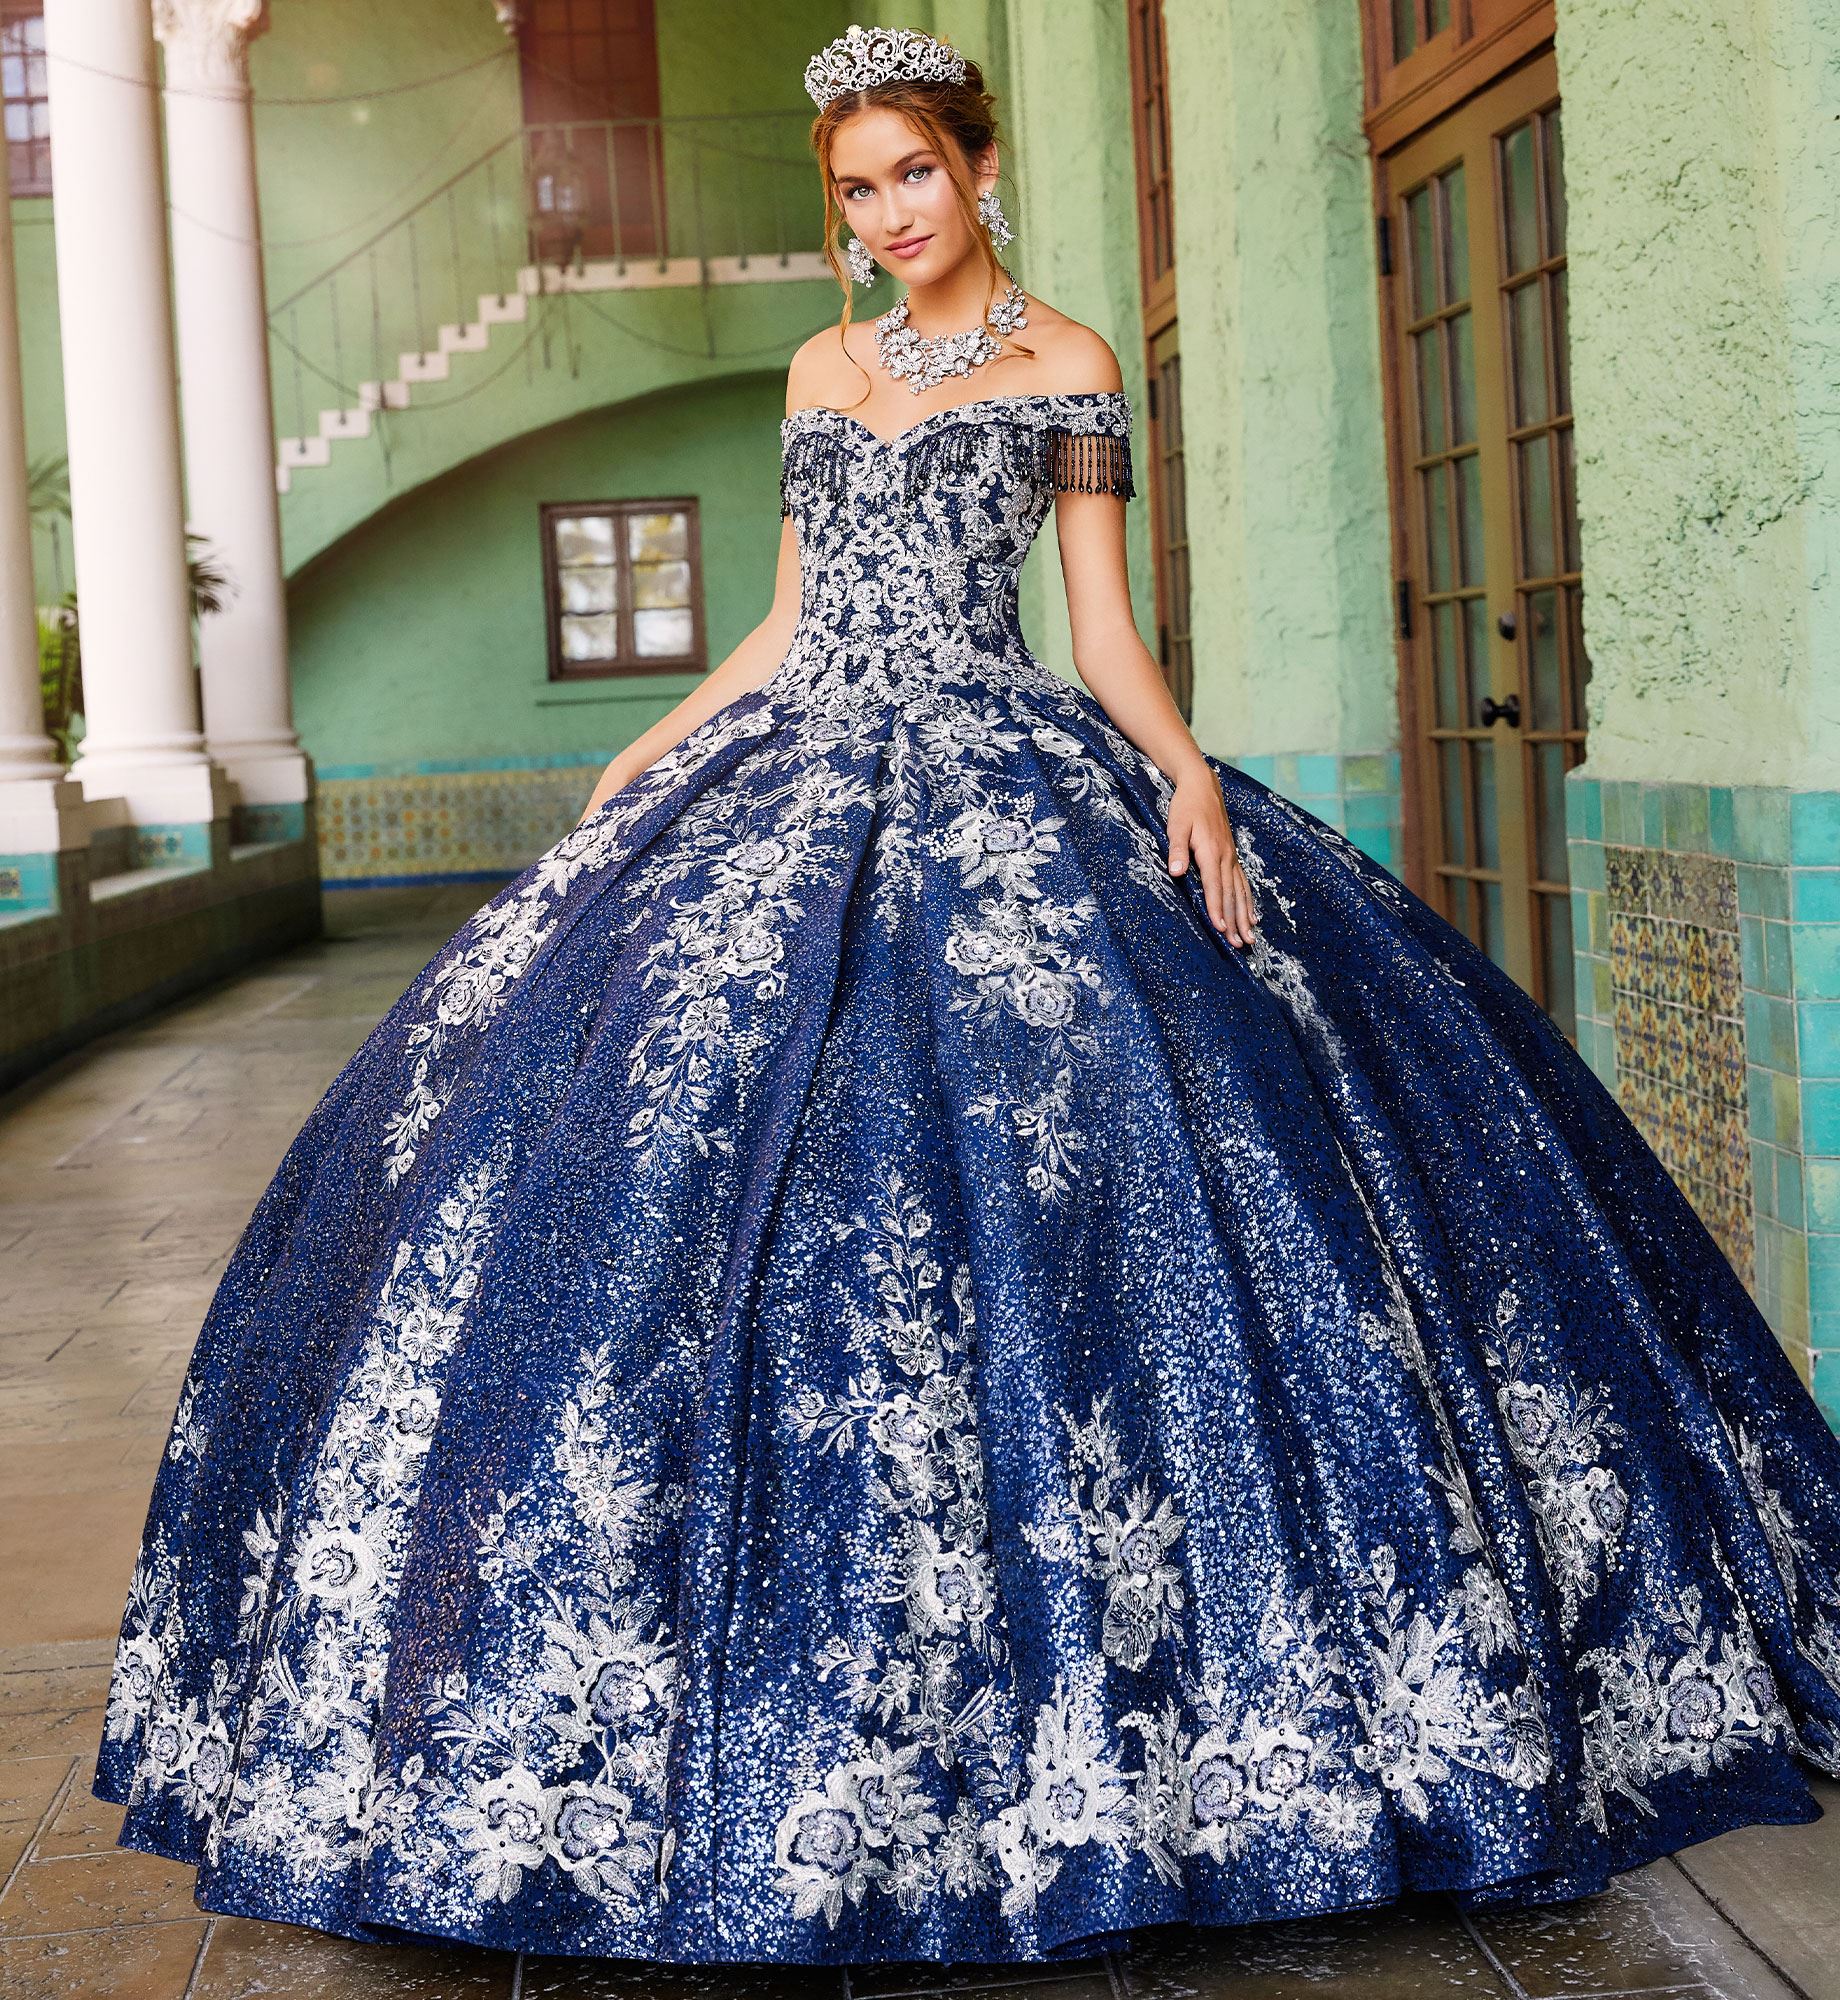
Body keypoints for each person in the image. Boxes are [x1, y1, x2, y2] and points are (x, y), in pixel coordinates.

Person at [95, 21, 1840, 1971]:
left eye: (910, 172)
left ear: (975, 167)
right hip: (794, 768)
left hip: (1005, 767)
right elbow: (784, 613)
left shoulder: (1068, 360)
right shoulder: (817, 364)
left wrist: (1177, 770)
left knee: (1121, 1166)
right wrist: (652, 744)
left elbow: (1094, 624)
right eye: (853, 187)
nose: (885, 214)